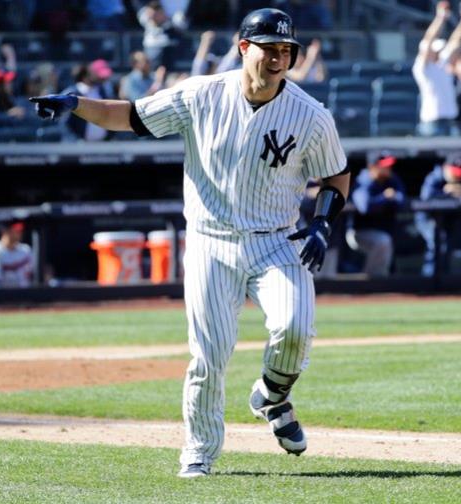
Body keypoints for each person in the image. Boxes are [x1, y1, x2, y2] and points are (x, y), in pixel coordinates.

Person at [30, 7, 349, 478]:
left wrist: (322, 223)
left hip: (277, 239)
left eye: (287, 50)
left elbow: (336, 175)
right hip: (210, 241)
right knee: (209, 354)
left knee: (296, 327)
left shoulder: (310, 114)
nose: (280, 58)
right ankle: (199, 451)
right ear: (244, 48)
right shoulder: (201, 94)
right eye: (270, 48)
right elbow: (130, 116)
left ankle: (272, 397)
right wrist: (77, 103)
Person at [414, 153, 461, 277]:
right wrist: (445, 193)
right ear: (445, 167)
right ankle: (428, 280)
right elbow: (425, 201)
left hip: (449, 220)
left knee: (447, 247)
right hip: (428, 220)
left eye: (459, 173)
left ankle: (443, 281)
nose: (456, 176)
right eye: (454, 172)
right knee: (437, 244)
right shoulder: (434, 178)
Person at [412, 1, 461, 136]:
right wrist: (440, 18)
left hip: (451, 121)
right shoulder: (422, 68)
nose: (440, 52)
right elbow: (428, 40)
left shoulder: (443, 63)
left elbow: (457, 40)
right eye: (437, 50)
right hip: (432, 124)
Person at [346, 153, 406, 277]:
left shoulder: (392, 179)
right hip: (359, 233)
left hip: (382, 230)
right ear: (372, 167)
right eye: (383, 166)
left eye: (389, 166)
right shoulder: (364, 181)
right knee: (383, 241)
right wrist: (385, 197)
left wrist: (389, 198)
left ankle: (373, 280)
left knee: (385, 240)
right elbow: (364, 207)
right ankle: (372, 282)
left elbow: (401, 200)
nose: (388, 169)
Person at [0, 220, 34, 288]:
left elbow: (36, 273)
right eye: (15, 230)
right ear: (5, 232)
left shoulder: (26, 250)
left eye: (20, 231)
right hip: (6, 295)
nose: (19, 233)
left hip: (27, 294)